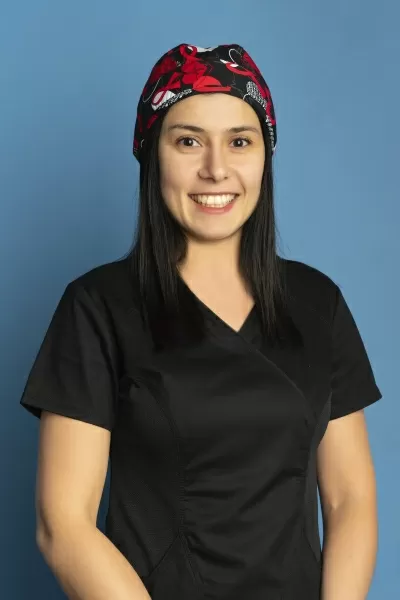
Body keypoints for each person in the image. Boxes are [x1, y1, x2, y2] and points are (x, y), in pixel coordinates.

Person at [20, 43, 383, 600]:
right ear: (152, 155)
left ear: (265, 156)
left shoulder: (318, 303)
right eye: (188, 141)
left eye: (240, 141)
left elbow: (349, 499)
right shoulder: (98, 307)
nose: (216, 169)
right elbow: (62, 525)